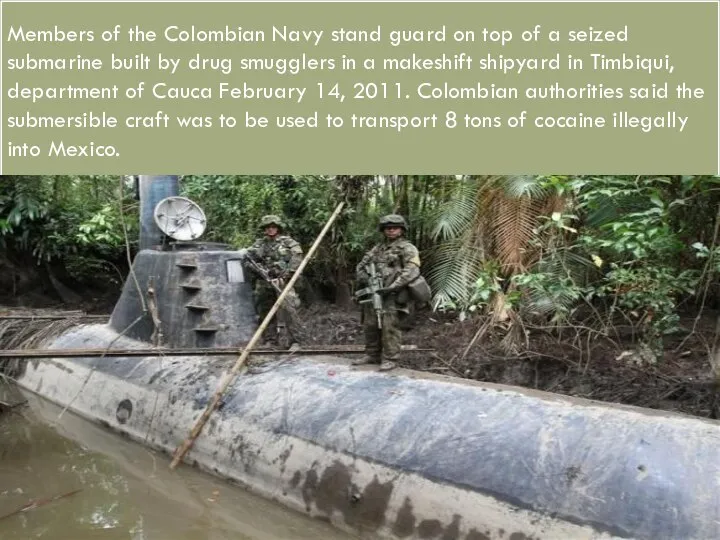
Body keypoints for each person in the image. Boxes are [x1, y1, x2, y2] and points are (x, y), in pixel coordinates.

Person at [353, 214, 422, 371]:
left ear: (401, 230)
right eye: (387, 228)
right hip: (374, 292)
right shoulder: (377, 249)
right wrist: (367, 280)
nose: (390, 231)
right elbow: (361, 267)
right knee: (370, 324)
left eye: (394, 228)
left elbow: (412, 270)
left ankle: (391, 358)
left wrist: (393, 286)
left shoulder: (407, 248)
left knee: (390, 326)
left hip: (392, 294)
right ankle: (372, 354)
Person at [244, 215, 304, 349]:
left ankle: (295, 341)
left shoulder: (288, 242)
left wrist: (287, 273)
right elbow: (248, 258)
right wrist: (256, 269)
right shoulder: (259, 244)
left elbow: (297, 258)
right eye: (267, 228)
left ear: (278, 228)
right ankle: (270, 340)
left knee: (289, 309)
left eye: (273, 227)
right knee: (264, 309)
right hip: (264, 281)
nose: (270, 230)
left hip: (283, 281)